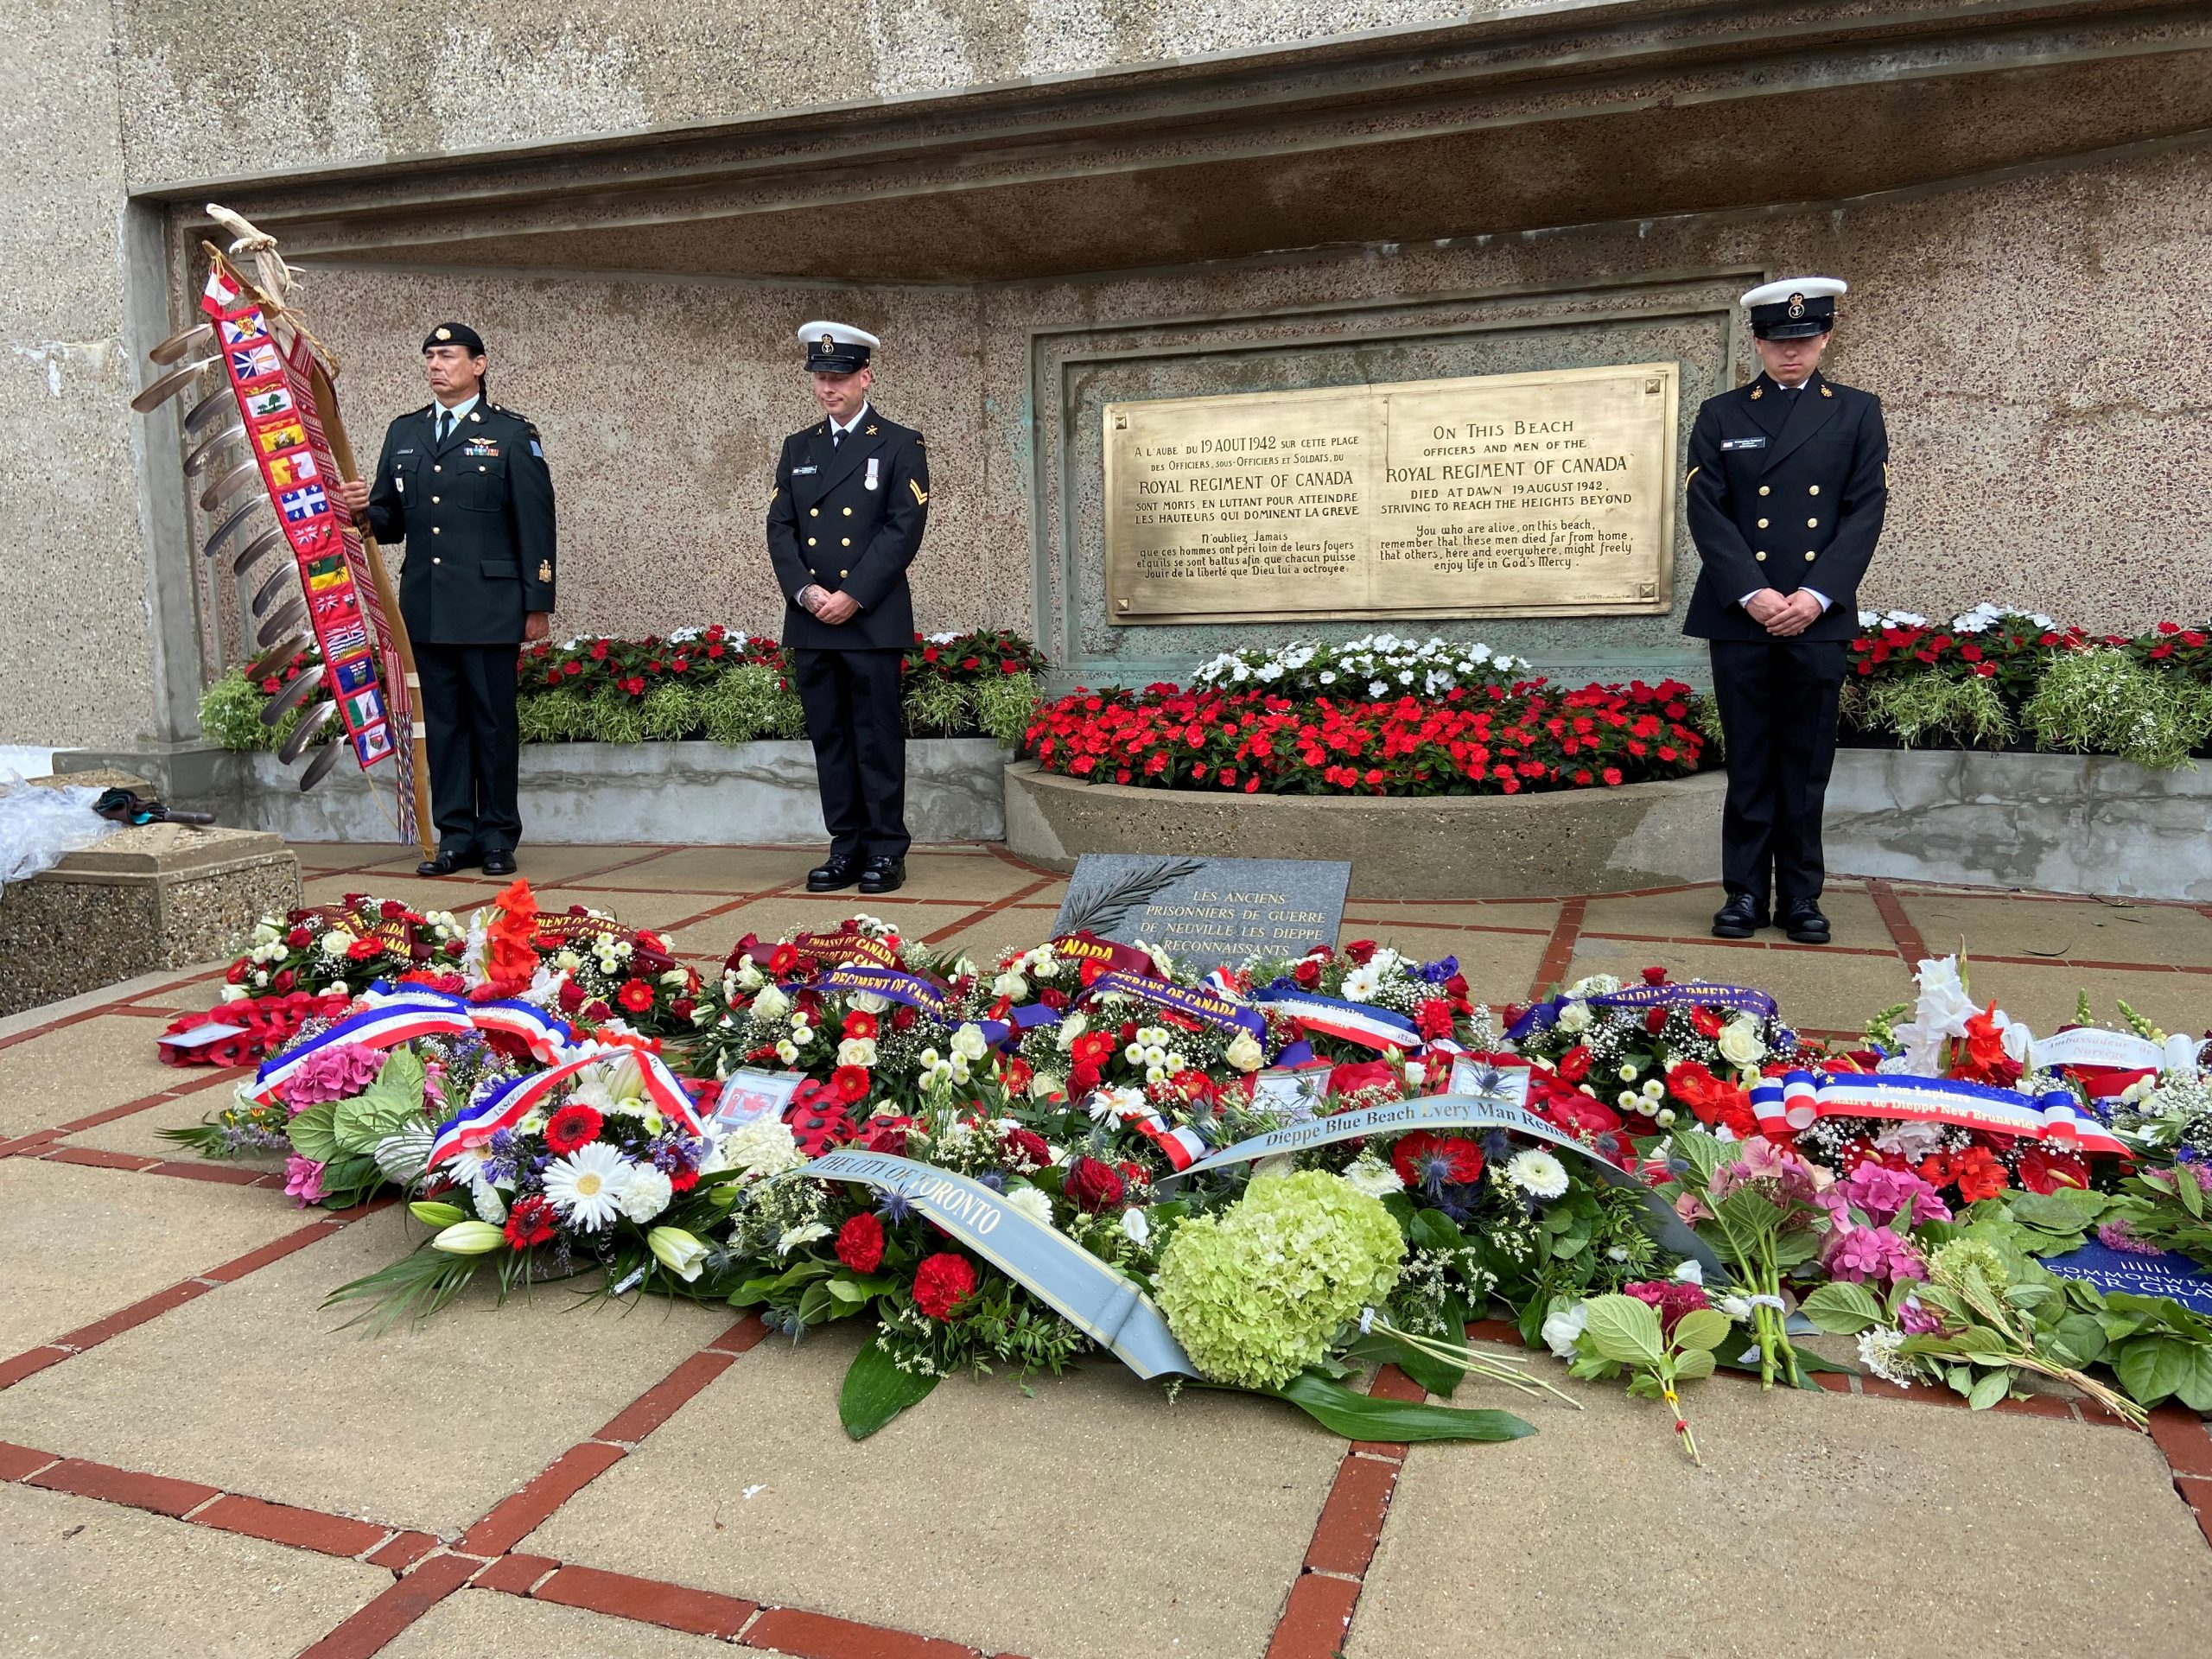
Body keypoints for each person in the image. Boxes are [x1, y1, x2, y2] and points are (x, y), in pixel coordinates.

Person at [1683, 278, 1888, 944]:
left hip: (1816, 613)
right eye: (1776, 341)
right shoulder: (1721, 414)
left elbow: (1864, 512)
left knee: (1804, 761)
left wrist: (1814, 595)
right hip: (1742, 611)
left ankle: (1800, 896)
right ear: (1758, 343)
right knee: (1749, 756)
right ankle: (1743, 892)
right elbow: (1706, 511)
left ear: (1825, 337)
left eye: (1802, 340)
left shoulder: (1857, 412)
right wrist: (1755, 592)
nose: (1790, 354)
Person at [335, 324, 555, 879]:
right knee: (445, 725)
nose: (436, 365)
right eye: (430, 357)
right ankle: (455, 834)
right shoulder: (405, 433)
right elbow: (387, 524)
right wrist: (363, 508)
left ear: (478, 365)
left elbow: (536, 522)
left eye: (448, 356)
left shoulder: (510, 434)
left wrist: (538, 602)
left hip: (489, 606)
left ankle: (499, 834)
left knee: (493, 724)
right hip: (428, 607)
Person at [766, 321, 931, 895]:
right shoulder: (799, 447)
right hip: (812, 619)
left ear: (866, 377)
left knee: (876, 736)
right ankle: (845, 848)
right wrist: (807, 594)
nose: (827, 389)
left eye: (838, 377)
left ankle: (885, 849)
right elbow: (780, 529)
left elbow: (902, 530)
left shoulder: (900, 442)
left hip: (870, 616)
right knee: (831, 738)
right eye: (819, 377)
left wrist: (852, 594)